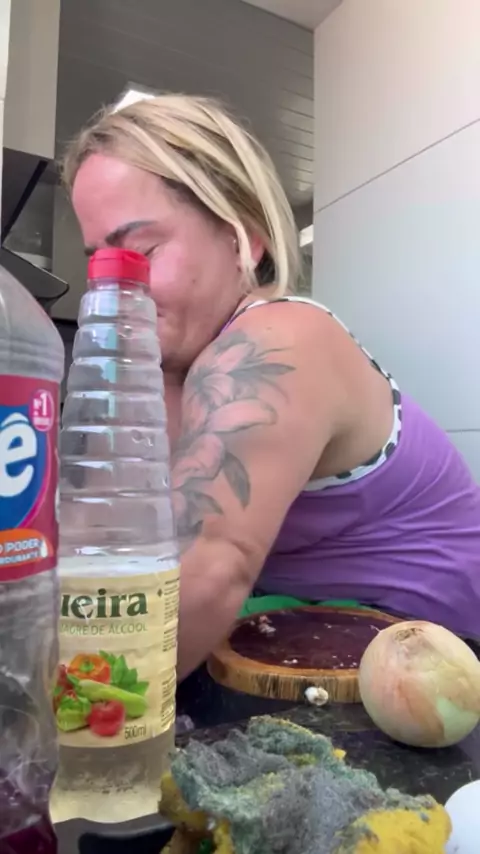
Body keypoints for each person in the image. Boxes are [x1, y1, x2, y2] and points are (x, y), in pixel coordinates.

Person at [62, 94, 480, 678]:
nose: (117, 289)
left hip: (435, 665)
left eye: (143, 252)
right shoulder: (158, 372)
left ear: (244, 237)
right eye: (101, 264)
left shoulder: (278, 340)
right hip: (296, 642)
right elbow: (93, 548)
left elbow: (205, 572)